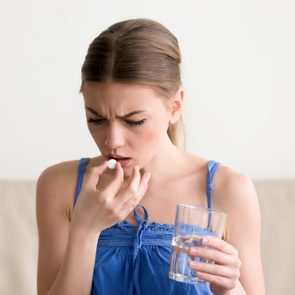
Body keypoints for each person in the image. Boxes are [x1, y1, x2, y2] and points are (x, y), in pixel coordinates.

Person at [36, 18, 265, 295]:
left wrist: (229, 288)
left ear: (175, 106)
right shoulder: (61, 186)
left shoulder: (228, 190)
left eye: (134, 121)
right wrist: (85, 231)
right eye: (96, 119)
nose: (112, 141)